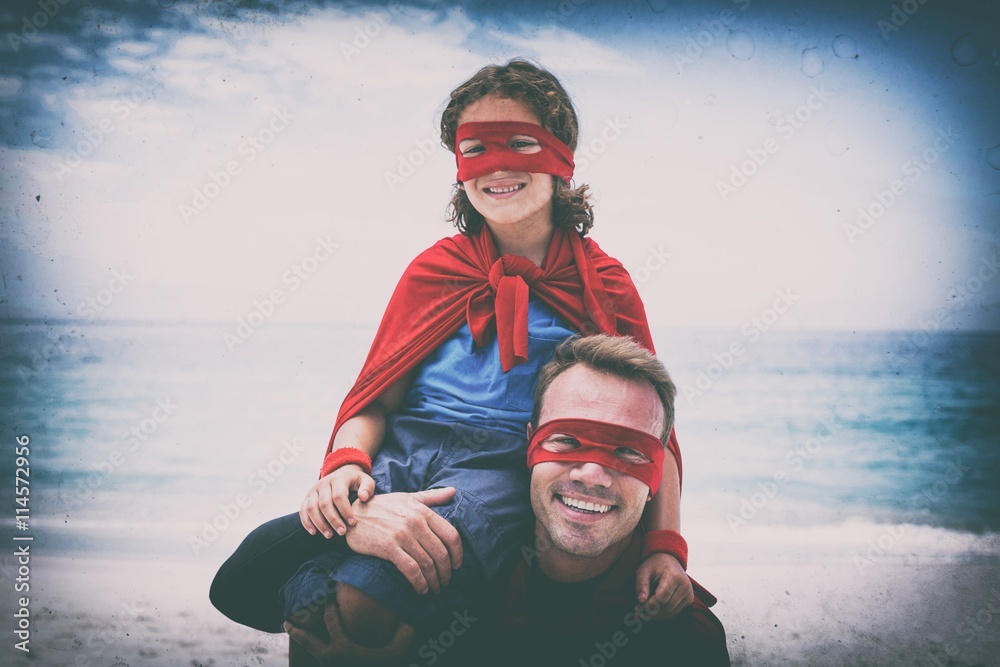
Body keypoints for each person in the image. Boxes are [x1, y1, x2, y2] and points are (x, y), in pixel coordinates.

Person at [210, 59, 690, 659]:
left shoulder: (603, 284)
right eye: (476, 148)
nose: (499, 165)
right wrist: (344, 467)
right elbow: (374, 399)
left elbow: (653, 431)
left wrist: (665, 545)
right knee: (267, 589)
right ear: (458, 167)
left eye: (521, 142)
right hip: (401, 452)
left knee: (362, 602)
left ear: (561, 157)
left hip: (499, 471)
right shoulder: (433, 271)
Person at [284, 334, 730, 666]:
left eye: (629, 451)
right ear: (529, 443)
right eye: (567, 440)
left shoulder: (680, 640)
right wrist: (359, 512)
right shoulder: (445, 561)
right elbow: (233, 590)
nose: (592, 474)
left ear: (659, 472)